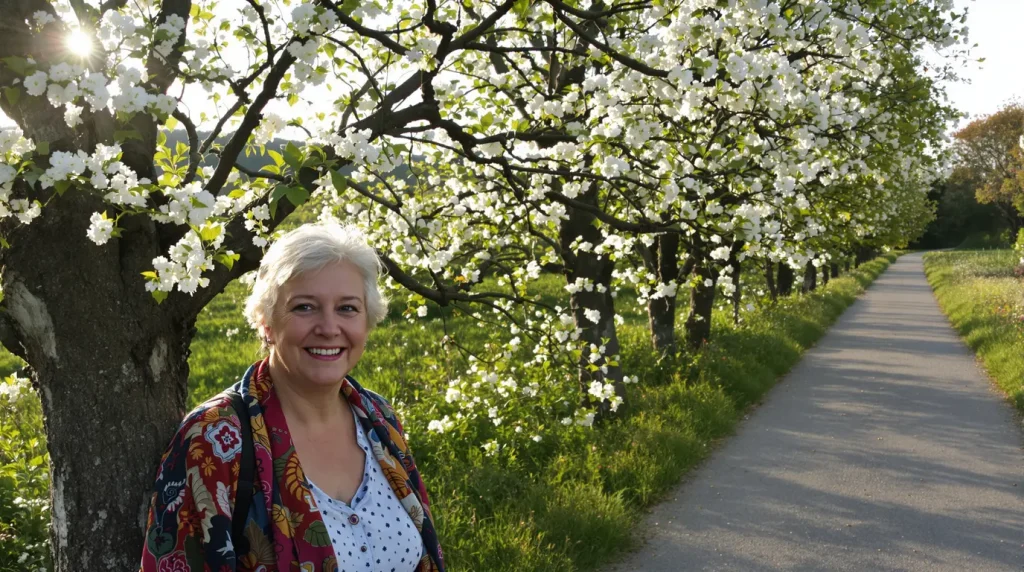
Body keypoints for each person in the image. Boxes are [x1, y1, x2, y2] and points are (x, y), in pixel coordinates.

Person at [140, 223, 445, 572]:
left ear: (368, 320)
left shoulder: (378, 417)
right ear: (266, 322)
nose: (329, 328)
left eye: (347, 308)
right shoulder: (214, 438)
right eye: (304, 307)